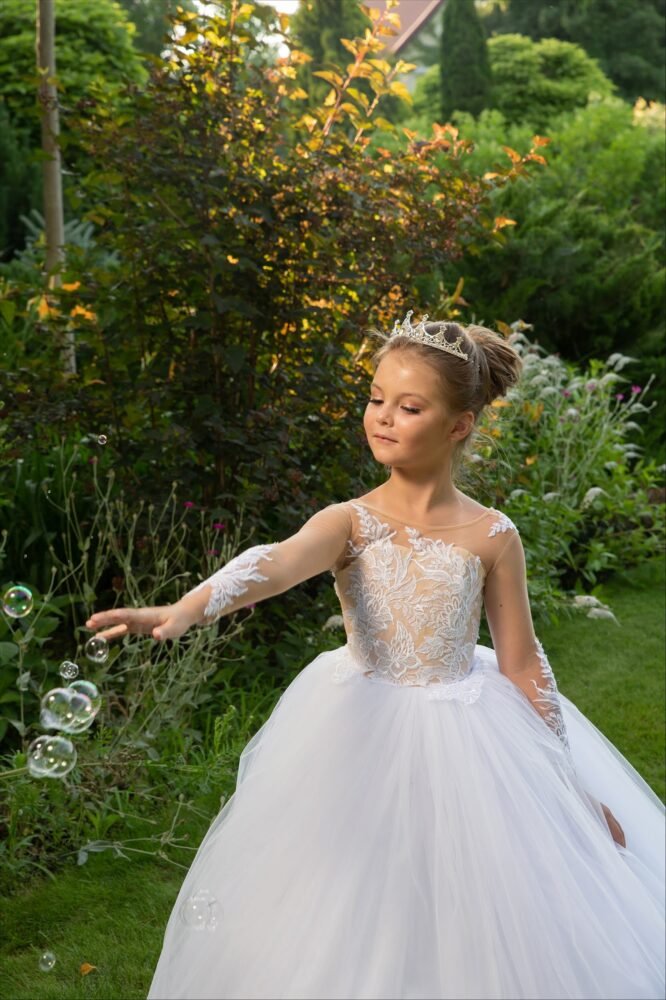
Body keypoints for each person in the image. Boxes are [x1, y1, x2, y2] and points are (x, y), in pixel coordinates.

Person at [86, 314, 665, 1000]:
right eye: (375, 398)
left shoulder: (492, 535)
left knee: (475, 904)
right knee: (348, 897)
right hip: (357, 732)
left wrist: (568, 784)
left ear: (460, 425)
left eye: (409, 406)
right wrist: (185, 607)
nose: (383, 417)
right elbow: (275, 563)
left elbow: (522, 662)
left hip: (473, 737)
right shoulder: (350, 521)